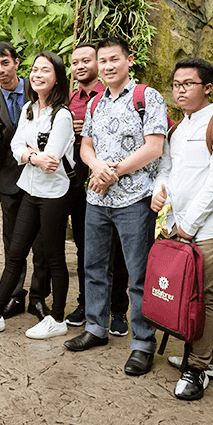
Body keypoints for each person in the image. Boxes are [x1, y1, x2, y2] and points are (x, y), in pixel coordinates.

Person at [65, 38, 167, 377]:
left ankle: (142, 343)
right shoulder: (95, 102)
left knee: (138, 274)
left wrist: (114, 172)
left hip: (134, 199)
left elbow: (154, 147)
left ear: (129, 60)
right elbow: (86, 146)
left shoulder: (146, 97)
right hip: (97, 199)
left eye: (114, 59)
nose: (108, 66)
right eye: (103, 61)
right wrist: (97, 167)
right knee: (94, 266)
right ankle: (96, 328)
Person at [0, 52, 75, 340]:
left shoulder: (62, 115)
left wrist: (29, 154)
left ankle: (57, 318)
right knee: (15, 255)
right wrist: (32, 155)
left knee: (53, 256)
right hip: (30, 189)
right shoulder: (29, 109)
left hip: (54, 194)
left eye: (45, 70)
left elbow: (52, 159)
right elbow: (15, 147)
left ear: (57, 78)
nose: (37, 75)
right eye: (35, 69)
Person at [152, 57, 213, 400]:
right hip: (179, 224)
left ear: (207, 87)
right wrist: (160, 192)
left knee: (204, 295)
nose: (180, 90)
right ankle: (210, 358)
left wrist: (189, 224)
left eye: (188, 84)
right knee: (187, 291)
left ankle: (197, 368)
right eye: (176, 84)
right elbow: (166, 169)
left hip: (210, 227)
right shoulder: (178, 129)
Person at [61, 42, 130, 333]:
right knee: (86, 248)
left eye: (86, 60)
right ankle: (87, 303)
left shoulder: (117, 95)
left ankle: (118, 309)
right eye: (75, 62)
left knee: (118, 251)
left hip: (118, 181)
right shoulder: (69, 100)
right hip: (79, 182)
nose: (80, 66)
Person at [0, 41, 47, 318]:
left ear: (16, 63)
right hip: (10, 183)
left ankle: (39, 297)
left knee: (43, 243)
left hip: (42, 179)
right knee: (13, 245)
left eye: (5, 63)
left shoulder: (39, 90)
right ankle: (15, 295)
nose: (0, 70)